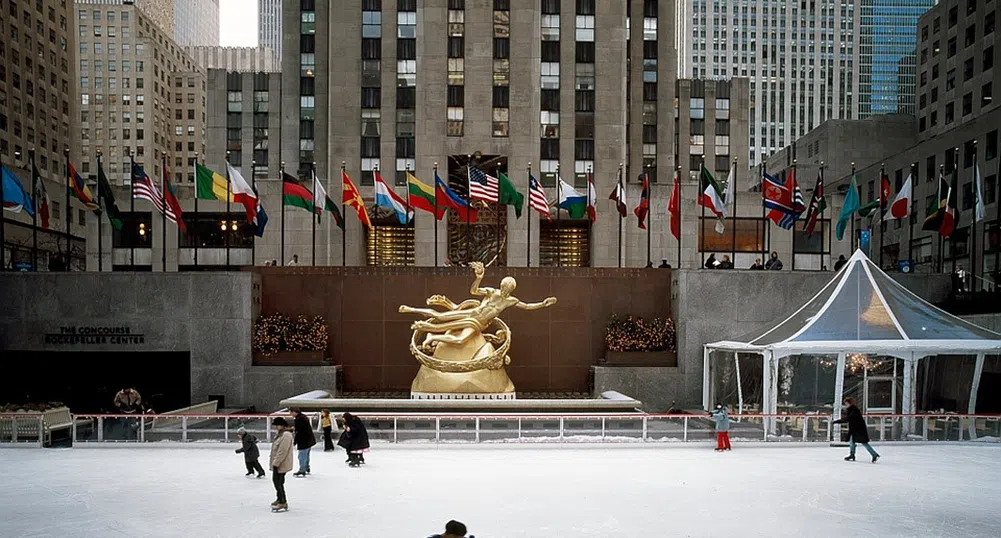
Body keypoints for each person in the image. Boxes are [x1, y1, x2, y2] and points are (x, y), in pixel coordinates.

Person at [832, 397, 880, 463]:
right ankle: (852, 455)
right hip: (854, 430)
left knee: (864, 443)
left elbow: (848, 419)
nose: (845, 405)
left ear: (849, 403)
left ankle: (874, 454)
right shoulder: (850, 410)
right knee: (852, 442)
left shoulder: (854, 410)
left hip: (859, 430)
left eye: (846, 403)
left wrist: (836, 421)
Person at [269, 418, 294, 511]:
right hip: (279, 462)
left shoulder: (286, 435)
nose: (275, 427)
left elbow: (282, 451)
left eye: (277, 425)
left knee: (278, 482)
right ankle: (280, 498)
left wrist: (276, 463)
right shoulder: (281, 434)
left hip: (281, 463)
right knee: (277, 482)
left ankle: (282, 502)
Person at [292, 409, 316, 477]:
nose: (290, 414)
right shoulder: (303, 417)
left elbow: (299, 432)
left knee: (302, 456)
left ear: (294, 412)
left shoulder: (299, 419)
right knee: (306, 455)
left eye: (290, 412)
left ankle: (302, 470)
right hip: (309, 440)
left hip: (303, 441)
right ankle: (306, 468)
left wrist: (295, 441)